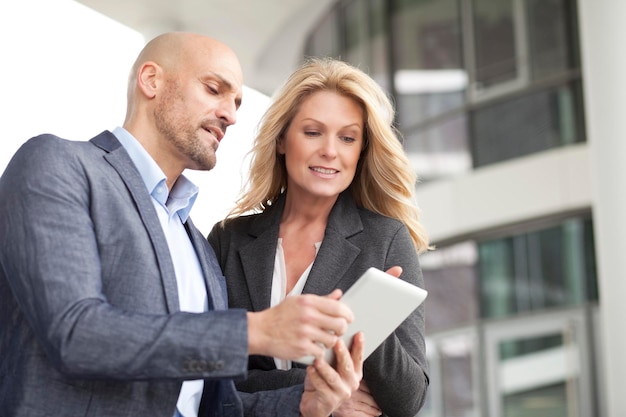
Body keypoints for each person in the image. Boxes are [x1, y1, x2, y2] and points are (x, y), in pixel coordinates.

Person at [0, 32, 365, 417]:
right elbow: (75, 334)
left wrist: (305, 404)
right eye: (214, 89)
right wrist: (256, 331)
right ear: (151, 80)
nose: (231, 114)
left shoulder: (199, 247)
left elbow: (212, 404)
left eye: (237, 101)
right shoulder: (58, 165)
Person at [208, 57, 431, 417]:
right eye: (313, 132)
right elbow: (210, 373)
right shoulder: (228, 240)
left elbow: (408, 399)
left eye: (347, 137)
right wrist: (317, 393)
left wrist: (365, 320)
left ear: (361, 151)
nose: (330, 150)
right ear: (282, 140)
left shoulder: (386, 239)